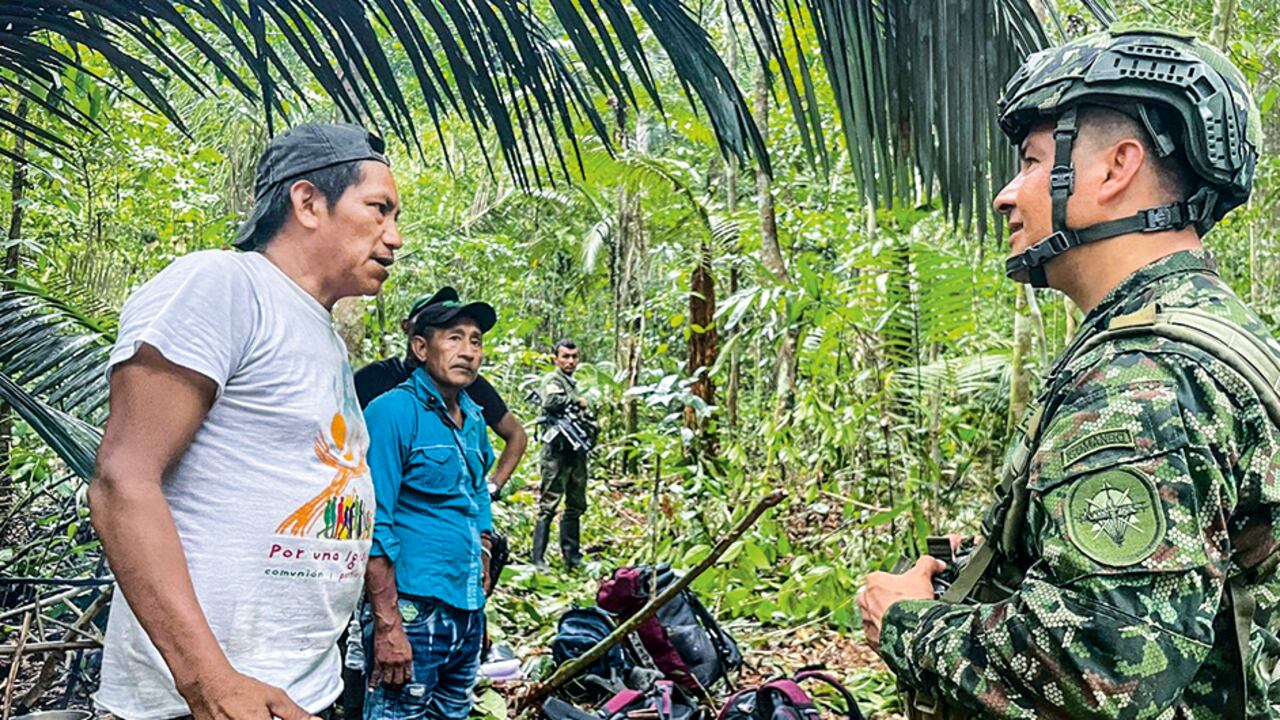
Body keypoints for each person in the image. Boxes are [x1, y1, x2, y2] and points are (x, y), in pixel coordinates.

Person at [858, 28, 1280, 719]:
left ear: (1117, 168)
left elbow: (1102, 669)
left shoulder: (1142, 378)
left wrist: (907, 624)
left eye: (1029, 161)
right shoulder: (1211, 331)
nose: (1004, 195)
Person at [89, 123, 401, 719]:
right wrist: (209, 682)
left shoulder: (321, 334)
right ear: (308, 201)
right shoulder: (223, 285)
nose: (395, 237)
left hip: (299, 691)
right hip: (199, 704)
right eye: (379, 209)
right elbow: (121, 481)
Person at [361, 297, 497, 719]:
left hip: (466, 610)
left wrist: (485, 551)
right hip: (412, 610)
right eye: (454, 338)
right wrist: (387, 624)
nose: (468, 350)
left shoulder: (473, 418)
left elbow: (477, 497)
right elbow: (372, 521)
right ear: (421, 349)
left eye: (475, 341)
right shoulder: (390, 413)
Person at [354, 287, 527, 494]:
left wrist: (493, 486)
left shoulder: (469, 393)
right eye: (452, 335)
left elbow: (515, 434)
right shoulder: (376, 380)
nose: (466, 351)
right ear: (412, 332)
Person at [532, 339, 592, 569]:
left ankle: (572, 556)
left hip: (575, 451)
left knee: (576, 504)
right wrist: (576, 400)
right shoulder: (552, 380)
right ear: (556, 358)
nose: (570, 361)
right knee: (549, 504)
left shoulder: (571, 383)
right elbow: (550, 401)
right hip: (556, 452)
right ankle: (537, 558)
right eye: (565, 356)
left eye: (574, 356)